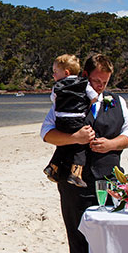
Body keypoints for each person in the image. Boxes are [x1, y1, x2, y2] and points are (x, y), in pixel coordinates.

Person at [41, 54, 128, 253]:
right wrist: (75, 138)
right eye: (95, 81)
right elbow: (47, 134)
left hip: (109, 176)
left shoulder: (118, 102)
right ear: (84, 76)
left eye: (104, 82)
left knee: (112, 229)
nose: (100, 86)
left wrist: (112, 144)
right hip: (74, 179)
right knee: (77, 230)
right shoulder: (67, 97)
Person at [43, 54, 99, 187]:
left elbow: (54, 99)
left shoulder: (57, 86)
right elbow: (94, 97)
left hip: (61, 120)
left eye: (55, 72)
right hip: (77, 119)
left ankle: (53, 166)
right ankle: (75, 174)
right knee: (80, 146)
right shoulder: (83, 83)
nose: (53, 75)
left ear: (66, 72)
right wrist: (87, 105)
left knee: (64, 144)